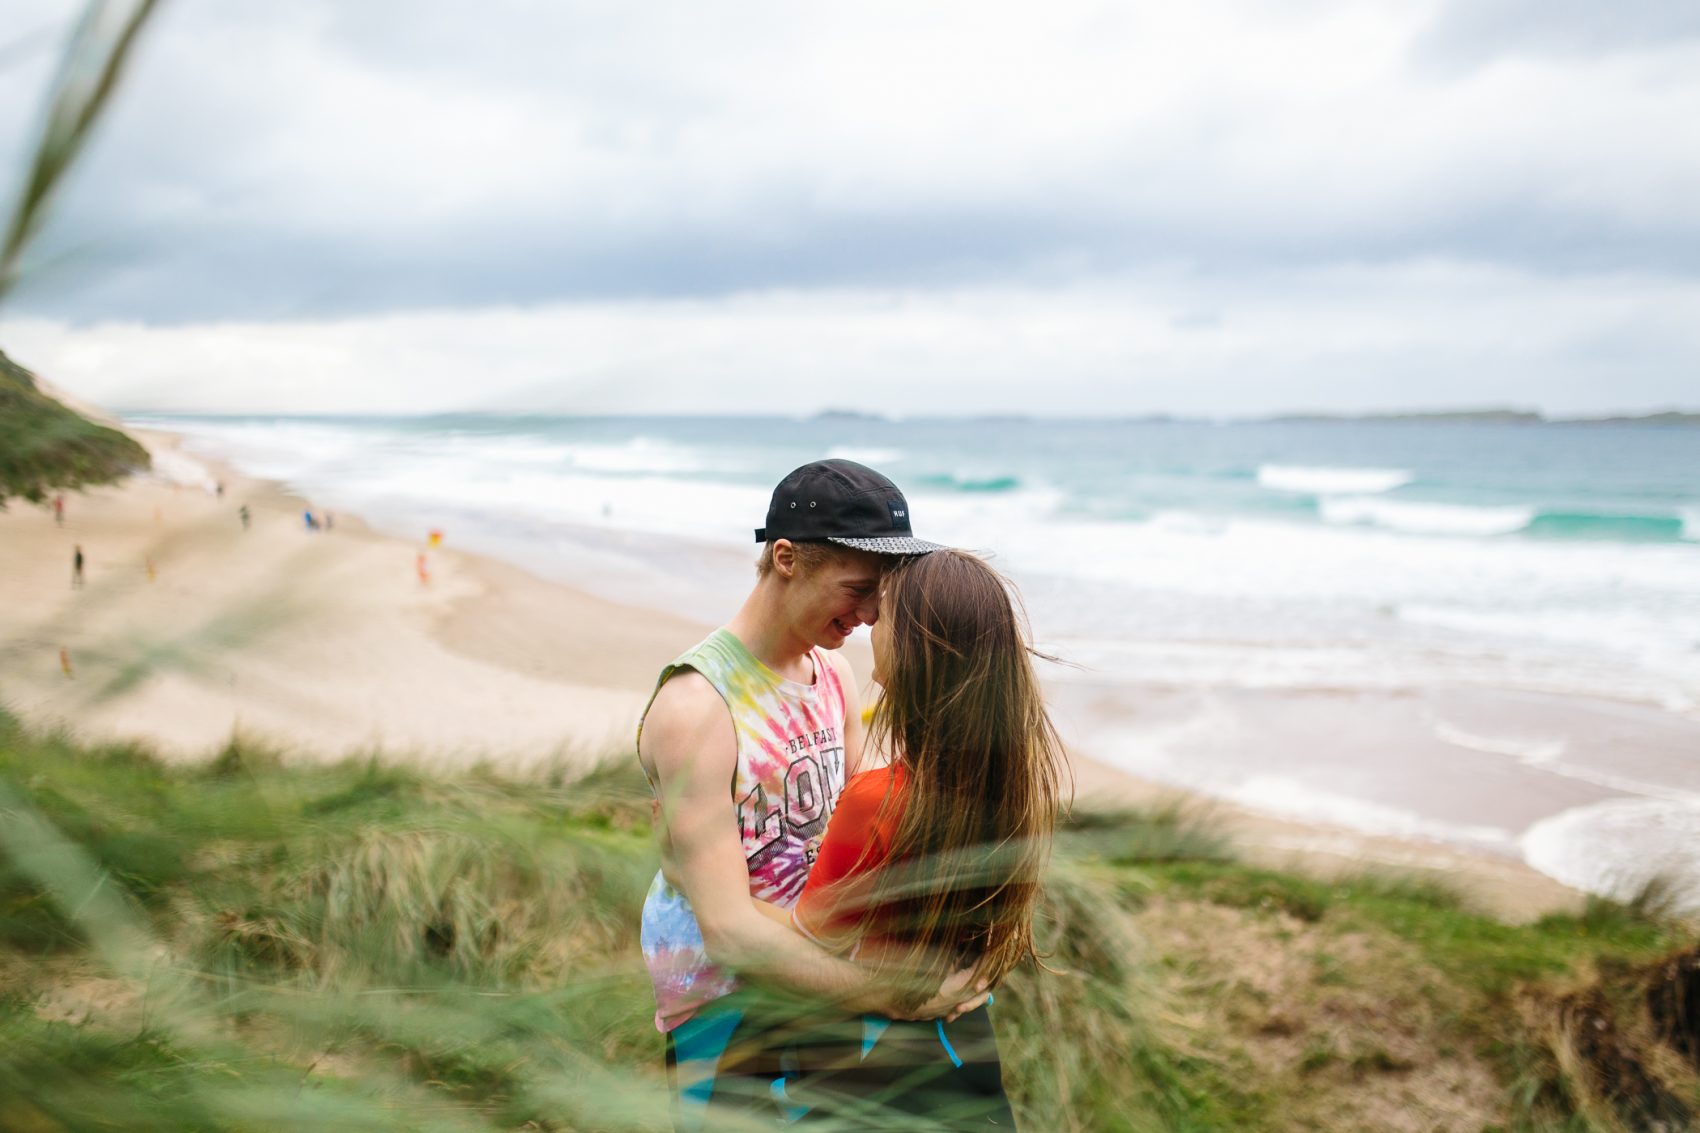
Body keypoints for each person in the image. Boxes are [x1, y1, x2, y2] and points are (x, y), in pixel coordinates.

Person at [638, 459, 977, 1129]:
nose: (872, 613)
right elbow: (729, 932)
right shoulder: (696, 705)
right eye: (858, 588)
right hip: (724, 1003)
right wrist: (895, 995)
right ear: (786, 558)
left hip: (814, 967)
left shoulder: (834, 676)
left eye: (881, 594)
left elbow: (854, 841)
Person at [757, 548, 1067, 1128]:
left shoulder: (878, 800)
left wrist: (711, 887)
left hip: (873, 1071)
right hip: (963, 1058)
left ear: (914, 651)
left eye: (884, 616)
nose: (869, 624)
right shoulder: (1016, 788)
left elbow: (807, 940)